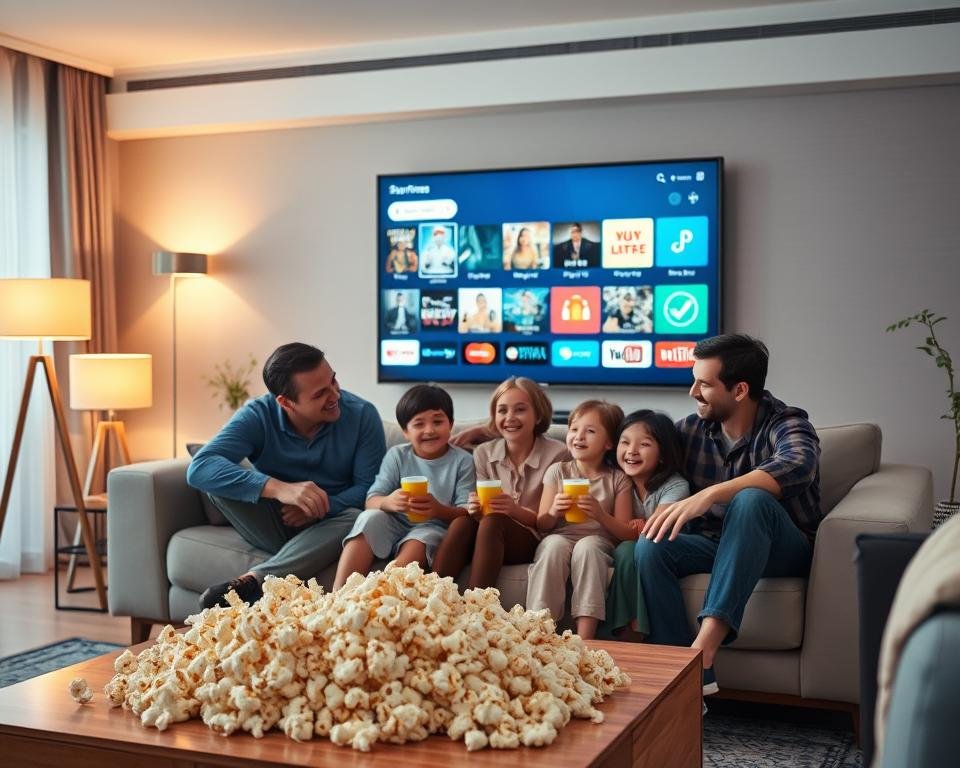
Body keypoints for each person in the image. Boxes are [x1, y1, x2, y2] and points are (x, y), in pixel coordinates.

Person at [635, 334, 821, 698]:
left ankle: (703, 650)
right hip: (716, 545)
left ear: (739, 390)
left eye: (704, 384)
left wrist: (711, 494)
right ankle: (678, 677)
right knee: (651, 546)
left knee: (750, 500)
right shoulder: (690, 430)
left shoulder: (787, 423)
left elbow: (798, 464)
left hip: (781, 550)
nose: (692, 392)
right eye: (694, 379)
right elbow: (631, 452)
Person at [187, 342, 386, 608]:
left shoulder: (362, 415)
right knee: (217, 482)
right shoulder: (258, 415)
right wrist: (279, 488)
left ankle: (254, 582)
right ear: (285, 402)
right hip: (275, 519)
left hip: (334, 523)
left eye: (334, 381)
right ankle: (298, 556)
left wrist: (321, 507)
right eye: (320, 394)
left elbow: (368, 488)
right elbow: (200, 468)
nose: (335, 395)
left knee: (359, 517)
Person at [332, 384, 474, 589]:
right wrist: (389, 502)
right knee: (368, 518)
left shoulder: (463, 461)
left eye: (437, 421)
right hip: (394, 521)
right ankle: (337, 594)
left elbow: (466, 513)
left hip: (432, 526)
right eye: (419, 424)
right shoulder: (397, 455)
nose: (429, 430)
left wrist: (438, 510)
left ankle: (383, 595)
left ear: (451, 424)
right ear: (405, 431)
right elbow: (371, 501)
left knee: (421, 539)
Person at [432, 377, 568, 588]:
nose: (510, 417)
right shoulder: (484, 453)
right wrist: (476, 510)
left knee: (494, 520)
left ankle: (477, 608)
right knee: (463, 521)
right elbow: (483, 514)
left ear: (538, 414)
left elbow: (545, 521)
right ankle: (431, 600)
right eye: (502, 411)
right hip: (490, 534)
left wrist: (512, 510)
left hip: (533, 537)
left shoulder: (558, 453)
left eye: (520, 410)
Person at [527, 400, 635, 640]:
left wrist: (600, 514)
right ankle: (537, 631)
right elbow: (542, 524)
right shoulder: (558, 472)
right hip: (561, 537)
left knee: (587, 548)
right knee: (553, 545)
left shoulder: (618, 479)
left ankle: (585, 638)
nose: (579, 436)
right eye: (574, 429)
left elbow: (625, 532)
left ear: (609, 443)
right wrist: (554, 511)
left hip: (598, 541)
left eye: (590, 431)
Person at [598, 410, 689, 640]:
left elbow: (653, 529)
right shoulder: (616, 480)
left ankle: (630, 632)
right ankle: (629, 630)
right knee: (627, 549)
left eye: (644, 444)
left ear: (662, 454)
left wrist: (639, 527)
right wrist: (633, 528)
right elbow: (630, 532)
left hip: (669, 553)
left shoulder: (675, 486)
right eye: (625, 442)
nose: (631, 451)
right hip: (629, 550)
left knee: (631, 549)